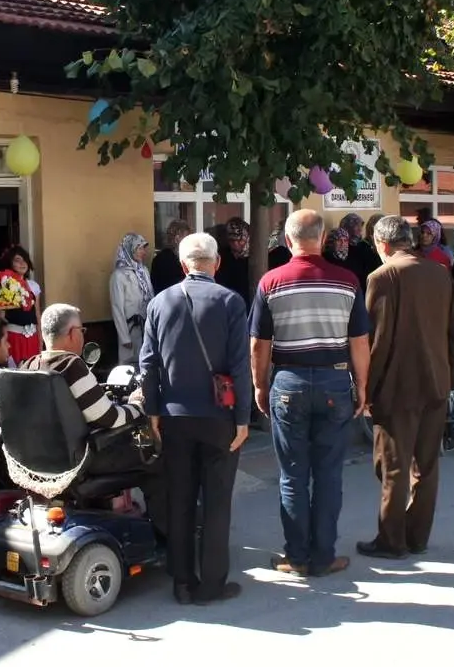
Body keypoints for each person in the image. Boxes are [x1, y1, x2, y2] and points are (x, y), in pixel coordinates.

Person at [249, 209, 370, 578]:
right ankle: (324, 556)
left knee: (293, 476)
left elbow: (259, 343)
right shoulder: (347, 281)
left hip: (289, 382)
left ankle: (296, 557)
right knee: (329, 475)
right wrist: (362, 386)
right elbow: (359, 341)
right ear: (322, 239)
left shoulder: (271, 282)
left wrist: (259, 384)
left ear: (287, 241)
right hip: (335, 383)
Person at [140, 232, 252, 606]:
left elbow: (148, 364)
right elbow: (240, 365)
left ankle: (182, 582)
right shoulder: (230, 301)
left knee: (180, 498)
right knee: (217, 500)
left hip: (174, 416)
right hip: (219, 417)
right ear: (216, 263)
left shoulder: (159, 302)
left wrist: (153, 410)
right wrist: (242, 418)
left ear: (183, 264)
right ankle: (212, 584)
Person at [357, 216, 454, 559]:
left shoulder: (383, 276)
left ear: (382, 244)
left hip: (397, 386)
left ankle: (392, 539)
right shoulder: (439, 273)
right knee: (426, 465)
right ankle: (417, 535)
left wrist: (366, 390)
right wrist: (450, 377)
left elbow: (377, 341)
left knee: (394, 465)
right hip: (436, 382)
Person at [24, 304, 167, 536]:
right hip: (89, 458)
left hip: (44, 460)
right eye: (82, 330)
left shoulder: (29, 366)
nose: (82, 335)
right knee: (155, 452)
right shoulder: (71, 366)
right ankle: (167, 533)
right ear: (71, 333)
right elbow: (109, 418)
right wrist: (138, 405)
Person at [0, 245, 40, 364]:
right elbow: (1, 318)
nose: (22, 263)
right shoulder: (4, 286)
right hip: (13, 339)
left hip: (33, 339)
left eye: (24, 259)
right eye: (17, 260)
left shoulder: (33, 286)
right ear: (9, 263)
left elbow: (38, 316)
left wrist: (40, 344)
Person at [109, 233, 153, 365]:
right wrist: (124, 338)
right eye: (140, 248)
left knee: (147, 363)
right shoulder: (118, 275)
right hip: (130, 329)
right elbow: (117, 308)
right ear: (130, 248)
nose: (143, 252)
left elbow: (151, 296)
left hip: (146, 327)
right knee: (130, 366)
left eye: (143, 248)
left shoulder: (144, 271)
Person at [214, 217, 252, 307]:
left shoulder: (255, 256)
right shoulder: (223, 256)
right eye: (232, 240)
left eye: (240, 240)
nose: (235, 244)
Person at [150, 219, 192, 295]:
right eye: (187, 238)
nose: (190, 242)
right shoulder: (163, 260)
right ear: (177, 238)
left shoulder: (186, 256)